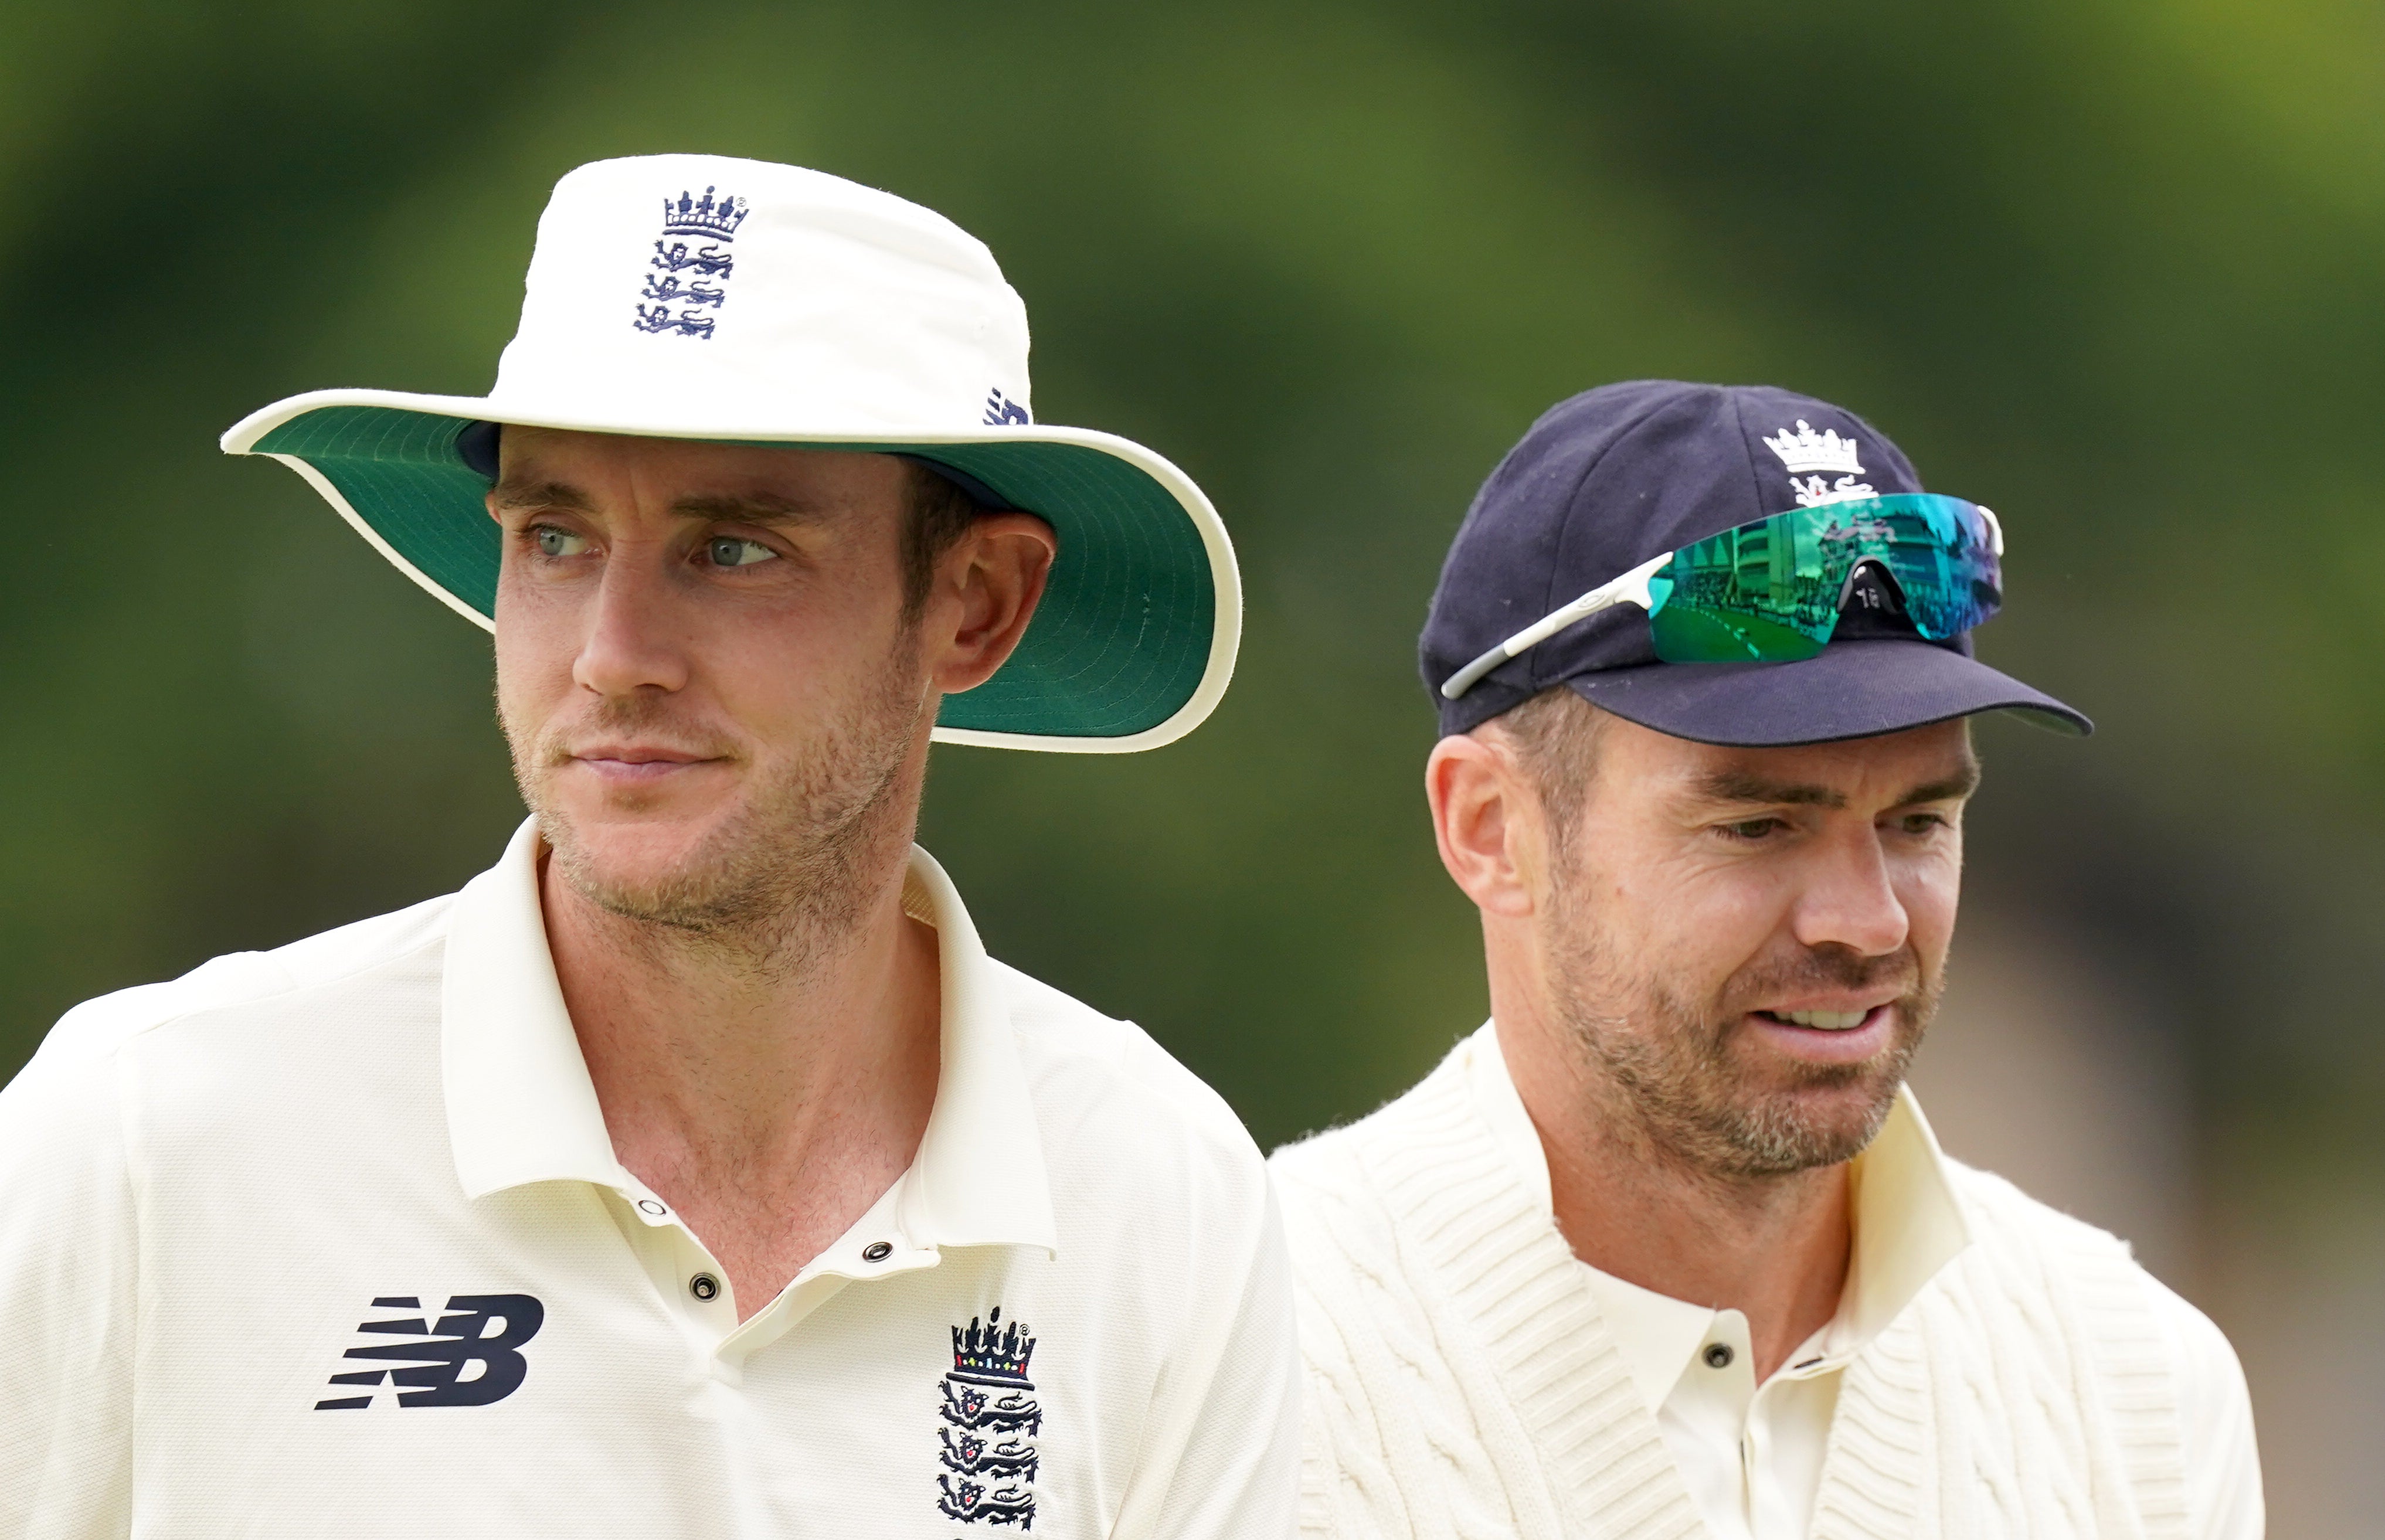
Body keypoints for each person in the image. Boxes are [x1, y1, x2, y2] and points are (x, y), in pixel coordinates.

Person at [0, 154, 1295, 1538]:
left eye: (734, 551)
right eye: (554, 538)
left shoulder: (1159, 1191)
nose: (613, 659)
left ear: (975, 605)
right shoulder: (147, 1137)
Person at [1272, 381, 2260, 1540]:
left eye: (1917, 822)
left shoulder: (2138, 1392)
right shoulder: (1232, 1347)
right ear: (1491, 828)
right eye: (1757, 825)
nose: (1870, 922)